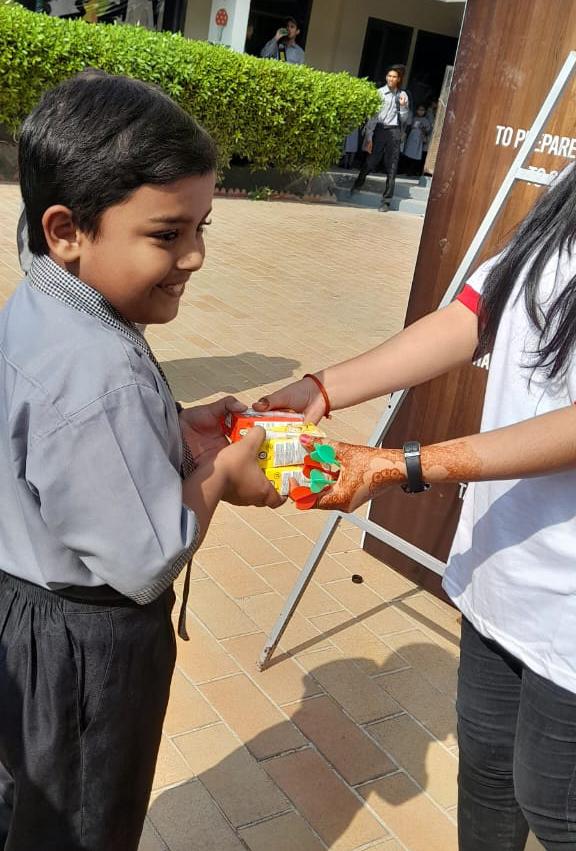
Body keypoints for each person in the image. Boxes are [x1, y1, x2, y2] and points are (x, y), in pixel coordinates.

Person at [253, 163, 576, 850]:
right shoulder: (566, 194)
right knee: (487, 773)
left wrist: (399, 464)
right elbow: (471, 317)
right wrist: (322, 388)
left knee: (556, 805)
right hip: (503, 571)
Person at [0, 70, 281, 851]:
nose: (195, 256)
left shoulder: (41, 308)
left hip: (22, 619)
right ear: (67, 230)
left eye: (203, 227)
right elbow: (144, 558)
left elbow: (53, 449)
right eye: (167, 234)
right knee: (86, 815)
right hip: (83, 653)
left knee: (27, 803)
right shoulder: (102, 371)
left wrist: (177, 426)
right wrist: (219, 475)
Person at [351, 65, 410, 211]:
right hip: (379, 130)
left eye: (394, 77)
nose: (391, 79)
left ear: (399, 79)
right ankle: (358, 183)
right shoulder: (379, 93)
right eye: (389, 76)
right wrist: (369, 136)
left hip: (394, 132)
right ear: (386, 77)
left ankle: (386, 201)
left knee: (392, 166)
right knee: (371, 160)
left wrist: (403, 107)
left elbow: (404, 119)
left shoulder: (402, 95)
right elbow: (373, 117)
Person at [402, 104, 431, 177]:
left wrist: (423, 129)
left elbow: (428, 130)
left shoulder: (426, 120)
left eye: (422, 110)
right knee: (408, 154)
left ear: (425, 111)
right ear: (417, 110)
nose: (421, 112)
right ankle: (406, 170)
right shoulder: (414, 118)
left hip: (419, 140)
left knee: (416, 156)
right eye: (419, 110)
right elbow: (409, 127)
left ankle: (412, 171)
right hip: (411, 138)